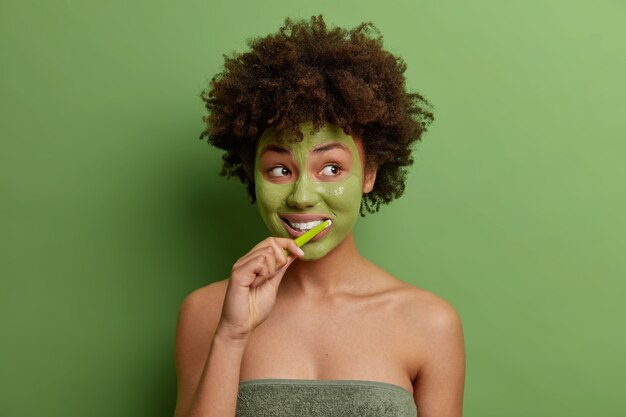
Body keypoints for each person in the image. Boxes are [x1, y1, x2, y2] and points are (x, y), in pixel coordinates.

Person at [174, 16, 465, 417]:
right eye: (280, 169)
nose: (302, 195)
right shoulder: (207, 313)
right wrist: (231, 335)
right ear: (252, 174)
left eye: (331, 168)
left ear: (370, 174)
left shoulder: (429, 322)